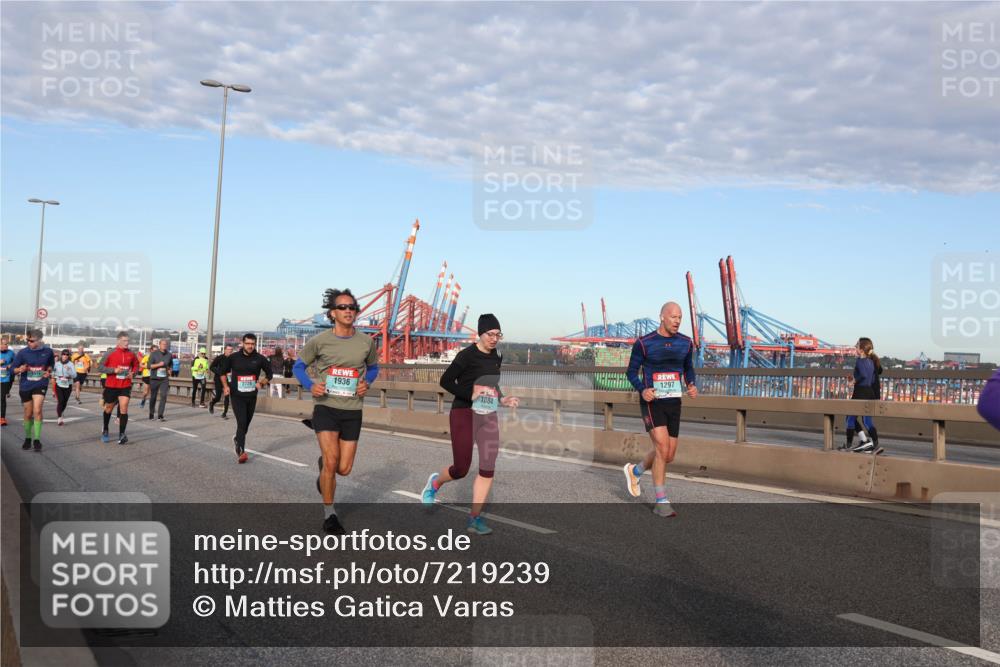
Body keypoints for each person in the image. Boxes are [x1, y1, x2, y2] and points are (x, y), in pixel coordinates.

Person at [420, 314, 518, 536]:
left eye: (498, 334)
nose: (494, 339)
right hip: (464, 413)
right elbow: (445, 381)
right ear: (479, 334)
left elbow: (492, 384)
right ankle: (435, 482)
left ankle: (475, 519)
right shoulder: (466, 356)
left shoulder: (497, 356)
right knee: (461, 468)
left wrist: (502, 399)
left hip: (488, 414)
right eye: (490, 334)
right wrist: (470, 394)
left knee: (487, 467)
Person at [293, 288, 379, 535]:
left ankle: (324, 468)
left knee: (344, 469)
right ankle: (330, 514)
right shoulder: (319, 341)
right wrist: (311, 385)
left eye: (352, 307)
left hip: (353, 409)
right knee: (332, 462)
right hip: (326, 408)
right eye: (343, 307)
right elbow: (299, 367)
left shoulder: (365, 342)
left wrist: (368, 382)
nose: (349, 311)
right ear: (332, 313)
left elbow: (373, 368)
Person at [621, 302, 698, 518]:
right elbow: (631, 372)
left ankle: (634, 471)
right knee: (662, 447)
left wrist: (691, 384)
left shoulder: (685, 343)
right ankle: (661, 501)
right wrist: (642, 389)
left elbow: (688, 368)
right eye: (673, 316)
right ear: (662, 317)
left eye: (680, 317)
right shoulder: (644, 343)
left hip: (674, 402)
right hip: (652, 402)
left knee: (669, 454)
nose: (677, 320)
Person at [220, 334, 272, 463]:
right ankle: (241, 451)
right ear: (242, 343)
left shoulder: (260, 358)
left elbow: (269, 374)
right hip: (237, 395)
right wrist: (226, 386)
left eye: (252, 344)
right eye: (248, 343)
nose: (250, 346)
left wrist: (262, 383)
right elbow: (222, 372)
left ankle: (238, 439)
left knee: (246, 424)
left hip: (251, 396)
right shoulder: (233, 358)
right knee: (242, 422)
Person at [11, 329, 55, 451]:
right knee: (28, 413)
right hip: (25, 385)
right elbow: (12, 369)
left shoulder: (48, 351)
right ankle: (28, 438)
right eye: (27, 340)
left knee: (37, 410)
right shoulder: (22, 353)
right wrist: (20, 369)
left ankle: (37, 440)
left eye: (31, 341)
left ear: (39, 340)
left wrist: (49, 371)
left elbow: (51, 365)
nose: (29, 342)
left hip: (40, 384)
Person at [97, 331, 141, 445]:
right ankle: (105, 429)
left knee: (124, 408)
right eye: (124, 341)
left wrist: (133, 373)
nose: (127, 343)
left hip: (125, 385)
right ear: (118, 341)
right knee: (108, 409)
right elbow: (100, 367)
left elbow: (136, 365)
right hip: (111, 385)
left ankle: (122, 434)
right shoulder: (110, 353)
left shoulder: (131, 353)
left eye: (128, 341)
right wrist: (113, 370)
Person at [843, 337, 882, 452]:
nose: (855, 347)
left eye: (856, 346)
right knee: (867, 421)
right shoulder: (871, 361)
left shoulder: (860, 361)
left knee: (850, 418)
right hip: (869, 392)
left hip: (860, 392)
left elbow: (864, 375)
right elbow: (871, 376)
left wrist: (854, 381)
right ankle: (875, 445)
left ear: (861, 350)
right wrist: (855, 379)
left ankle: (851, 445)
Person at [147, 339, 174, 421]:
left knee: (164, 396)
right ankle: (151, 413)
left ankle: (160, 415)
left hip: (164, 379)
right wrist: (159, 364)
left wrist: (170, 370)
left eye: (166, 344)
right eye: (163, 344)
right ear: (159, 345)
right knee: (153, 397)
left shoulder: (169, 355)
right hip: (154, 378)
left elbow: (170, 365)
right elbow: (149, 366)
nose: (164, 345)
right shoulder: (154, 354)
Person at [52, 349, 77, 426]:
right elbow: (53, 373)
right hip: (59, 384)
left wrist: (69, 371)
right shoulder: (57, 364)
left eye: (67, 354)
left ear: (68, 356)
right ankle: (59, 418)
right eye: (64, 354)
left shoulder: (71, 364)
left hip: (68, 384)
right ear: (61, 355)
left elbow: (74, 375)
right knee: (61, 400)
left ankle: (61, 412)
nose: (65, 356)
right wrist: (54, 375)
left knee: (65, 402)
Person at [209, 344, 234, 419]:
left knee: (227, 396)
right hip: (218, 378)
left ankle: (224, 413)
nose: (230, 351)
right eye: (229, 349)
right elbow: (211, 367)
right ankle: (212, 403)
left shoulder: (232, 359)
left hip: (228, 379)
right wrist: (220, 372)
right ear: (225, 350)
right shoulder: (219, 358)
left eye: (231, 350)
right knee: (218, 397)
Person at [0, 338, 14, 427]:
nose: (6, 346)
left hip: (5, 378)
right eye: (4, 344)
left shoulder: (11, 353)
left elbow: (17, 361)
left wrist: (11, 365)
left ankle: (2, 418)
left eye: (7, 344)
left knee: (2, 398)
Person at [139, 343, 154, 408]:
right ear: (151, 350)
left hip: (154, 376)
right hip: (146, 375)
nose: (155, 352)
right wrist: (147, 366)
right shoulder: (146, 357)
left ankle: (152, 405)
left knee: (152, 392)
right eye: (154, 350)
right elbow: (141, 365)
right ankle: (143, 400)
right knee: (146, 391)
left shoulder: (158, 358)